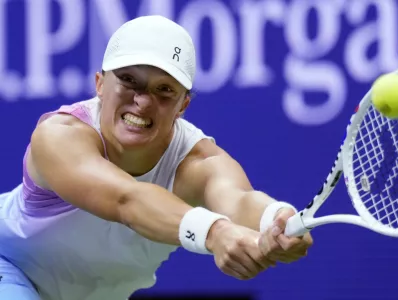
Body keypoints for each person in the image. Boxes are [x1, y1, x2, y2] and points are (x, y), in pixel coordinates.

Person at [0, 15, 313, 300]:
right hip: (9, 266)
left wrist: (275, 220)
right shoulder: (60, 135)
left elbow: (240, 200)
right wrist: (216, 232)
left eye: (164, 90)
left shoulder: (198, 162)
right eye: (128, 80)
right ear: (99, 84)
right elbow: (127, 200)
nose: (142, 101)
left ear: (182, 106)